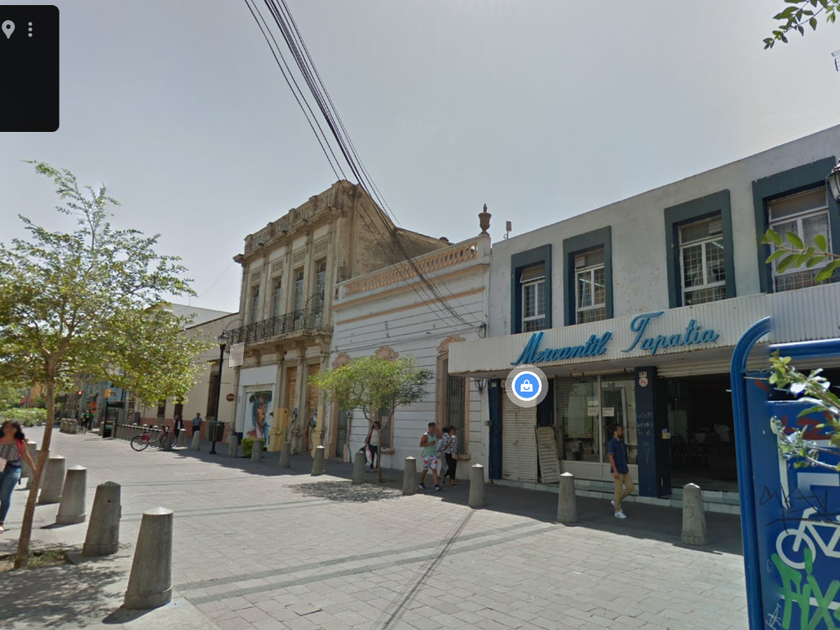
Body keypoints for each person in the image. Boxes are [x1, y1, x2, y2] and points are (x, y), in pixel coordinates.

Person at [0, 421, 37, 534]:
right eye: (7, 427)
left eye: (13, 427)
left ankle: (1, 522)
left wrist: (34, 470)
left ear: (17, 429)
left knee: (5, 495)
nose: (9, 429)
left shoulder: (19, 442)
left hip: (13, 468)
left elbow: (25, 455)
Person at [608, 425, 633, 519]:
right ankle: (617, 511)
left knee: (630, 487)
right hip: (617, 470)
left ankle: (616, 501)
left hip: (624, 469)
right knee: (618, 490)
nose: (622, 432)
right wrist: (615, 471)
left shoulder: (621, 443)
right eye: (620, 431)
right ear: (615, 432)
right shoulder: (612, 443)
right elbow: (611, 458)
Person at [418, 422, 442, 492]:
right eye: (431, 427)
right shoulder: (425, 435)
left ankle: (436, 485)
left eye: (434, 427)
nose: (433, 429)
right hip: (427, 455)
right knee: (425, 469)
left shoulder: (435, 435)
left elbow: (441, 437)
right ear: (429, 428)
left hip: (434, 455)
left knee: (434, 469)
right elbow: (421, 444)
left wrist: (438, 430)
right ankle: (421, 482)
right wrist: (429, 444)